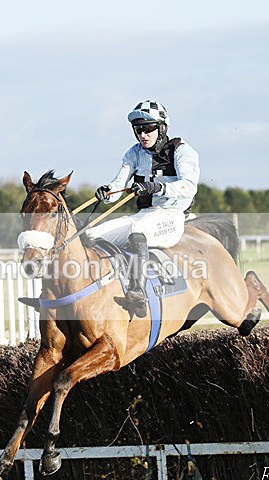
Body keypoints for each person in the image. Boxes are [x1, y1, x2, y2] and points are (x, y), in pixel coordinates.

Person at [84, 100, 200, 317]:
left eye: (149, 128)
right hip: (144, 215)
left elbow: (189, 187)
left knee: (139, 233)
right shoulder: (134, 153)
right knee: (89, 236)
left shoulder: (182, 151)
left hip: (172, 216)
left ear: (162, 127)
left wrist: (157, 187)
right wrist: (106, 193)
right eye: (138, 130)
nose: (143, 135)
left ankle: (138, 293)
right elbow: (118, 187)